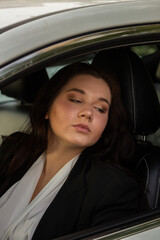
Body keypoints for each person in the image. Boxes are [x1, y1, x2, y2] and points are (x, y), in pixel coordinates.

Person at [0, 62, 142, 240]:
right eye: (75, 100)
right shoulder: (14, 149)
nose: (88, 113)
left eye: (100, 108)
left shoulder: (112, 189)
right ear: (46, 108)